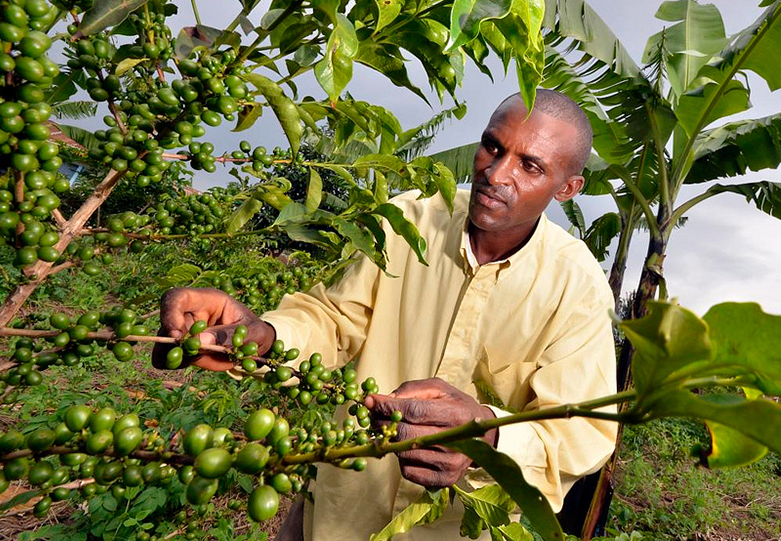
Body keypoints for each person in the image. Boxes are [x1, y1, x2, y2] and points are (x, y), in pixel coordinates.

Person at [157, 90, 619, 540]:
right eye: (492, 146)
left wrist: (486, 441)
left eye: (529, 165)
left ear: (567, 189)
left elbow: (580, 434)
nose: (496, 173)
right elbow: (335, 319)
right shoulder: (410, 220)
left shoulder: (576, 289)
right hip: (342, 505)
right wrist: (268, 334)